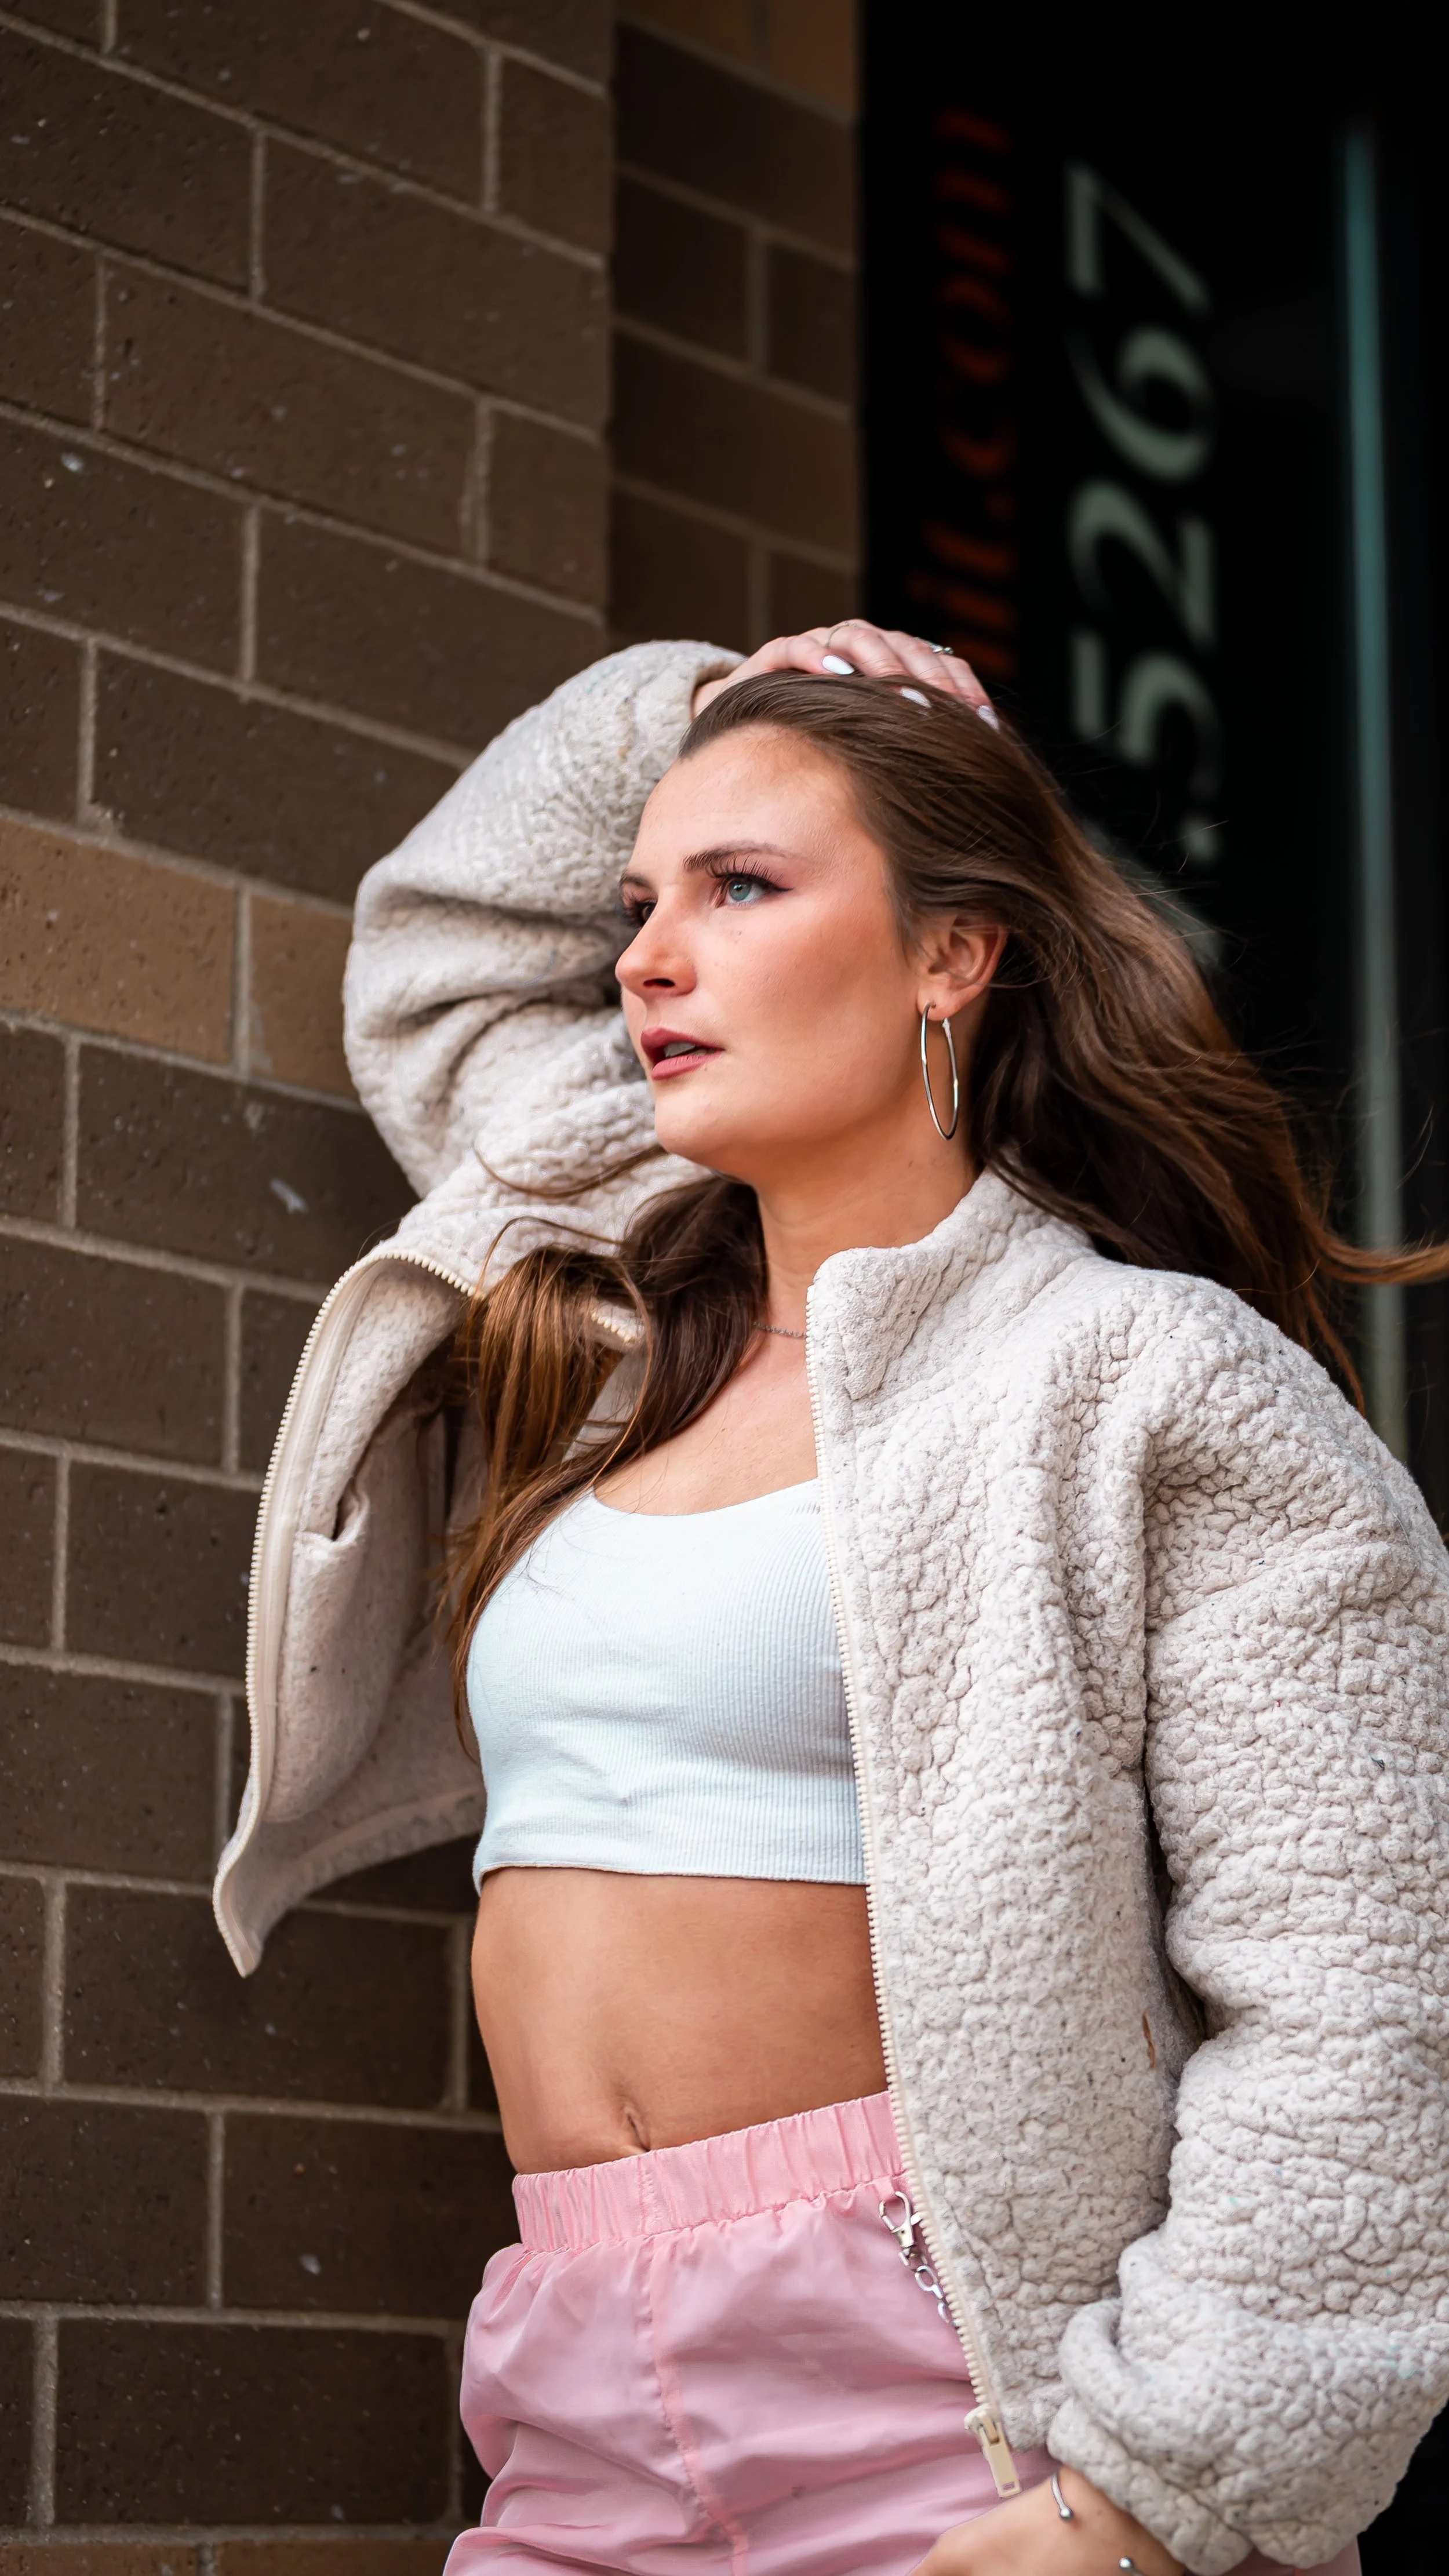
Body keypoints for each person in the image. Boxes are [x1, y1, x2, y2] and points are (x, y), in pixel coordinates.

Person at [216, 623, 1449, 2576]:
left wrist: (1141, 2502)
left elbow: (1360, 2007)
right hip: (568, 2365)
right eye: (639, 897)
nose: (643, 956)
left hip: (953, 2389)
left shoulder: (1144, 1379)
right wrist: (701, 705)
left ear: (954, 954)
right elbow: (436, 965)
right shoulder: (608, 1311)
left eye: (743, 886)